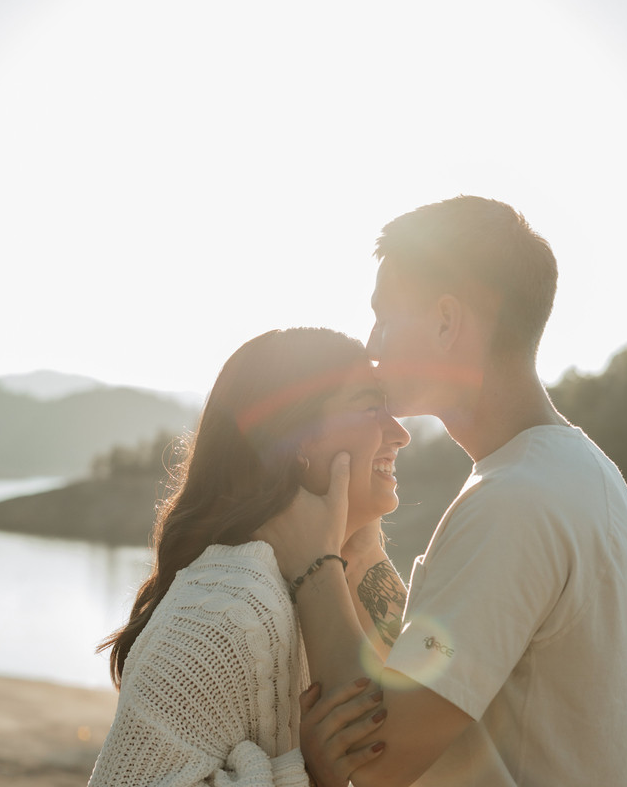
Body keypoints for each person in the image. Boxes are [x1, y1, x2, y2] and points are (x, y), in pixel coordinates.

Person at [256, 196, 627, 786]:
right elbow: (431, 660)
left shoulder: (515, 500)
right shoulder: (578, 471)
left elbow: (381, 754)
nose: (371, 343)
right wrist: (362, 550)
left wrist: (315, 564)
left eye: (385, 317)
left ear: (446, 321)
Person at [87, 327, 411, 787]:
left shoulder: (327, 580)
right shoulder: (222, 612)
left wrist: (365, 552)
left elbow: (423, 701)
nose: (400, 433)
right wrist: (308, 776)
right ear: (297, 439)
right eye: (370, 407)